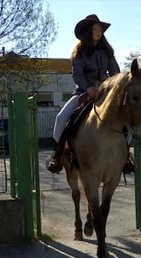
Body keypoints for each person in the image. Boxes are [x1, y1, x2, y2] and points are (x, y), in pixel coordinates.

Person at [46, 14, 120, 173]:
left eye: (100, 29)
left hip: (105, 94)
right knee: (61, 118)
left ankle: (126, 157)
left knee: (125, 117)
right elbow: (77, 75)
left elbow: (115, 72)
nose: (99, 32)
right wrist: (88, 88)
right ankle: (57, 155)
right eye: (95, 29)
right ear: (88, 31)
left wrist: (112, 85)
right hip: (83, 93)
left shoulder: (108, 52)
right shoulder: (79, 53)